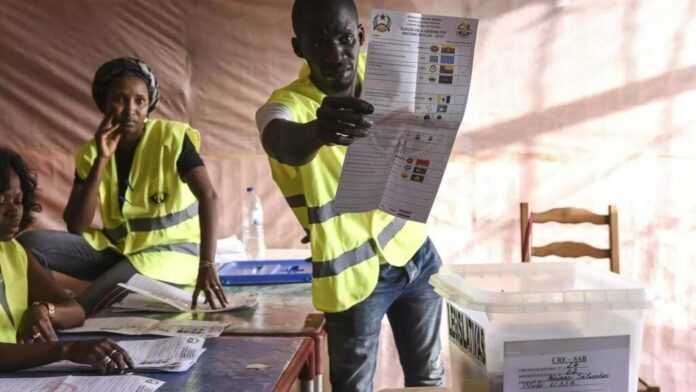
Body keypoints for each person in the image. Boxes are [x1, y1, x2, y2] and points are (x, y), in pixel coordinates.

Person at [256, 1, 444, 391]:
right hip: (354, 278)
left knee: (428, 379)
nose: (334, 54)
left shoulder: (384, 76)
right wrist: (317, 132)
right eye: (319, 43)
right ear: (298, 48)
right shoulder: (290, 105)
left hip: (415, 253)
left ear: (359, 36)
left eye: (344, 39)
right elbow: (279, 138)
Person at [18, 57, 228, 314]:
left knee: (87, 306)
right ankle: (51, 304)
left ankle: (59, 314)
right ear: (103, 104)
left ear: (149, 104)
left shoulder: (171, 138)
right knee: (28, 245)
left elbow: (209, 196)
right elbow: (76, 225)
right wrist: (102, 160)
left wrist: (207, 264)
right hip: (118, 250)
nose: (130, 110)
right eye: (120, 99)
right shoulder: (91, 152)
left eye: (139, 100)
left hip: (171, 255)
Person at [0, 147, 132, 373]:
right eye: (1, 202)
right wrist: (66, 350)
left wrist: (44, 310)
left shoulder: (13, 252)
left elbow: (75, 311)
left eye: (19, 200)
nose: (14, 212)